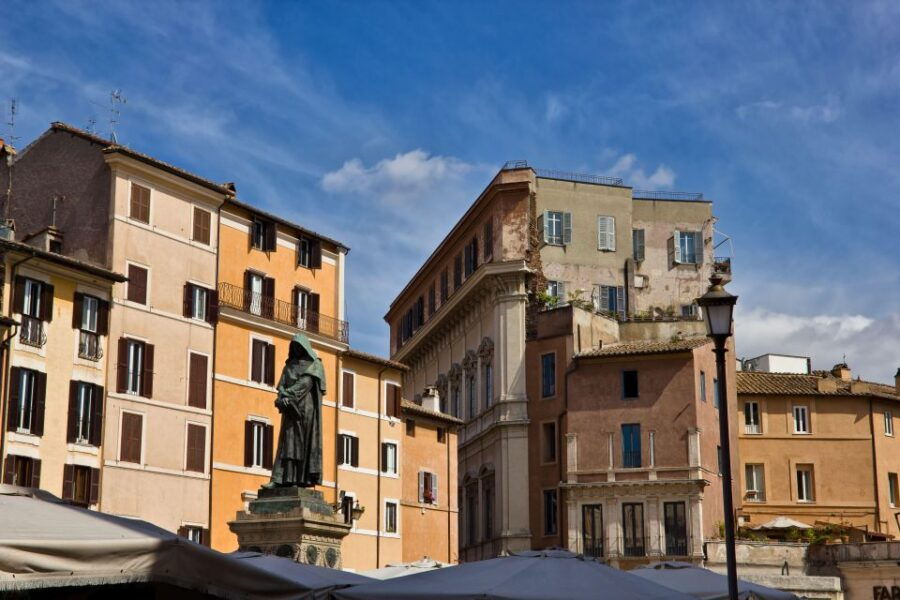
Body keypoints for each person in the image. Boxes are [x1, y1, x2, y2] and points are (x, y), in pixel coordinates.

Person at [263, 333, 324, 488]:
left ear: (305, 347)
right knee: (287, 443)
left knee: (301, 444)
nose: (296, 349)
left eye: (299, 346)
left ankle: (300, 480)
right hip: (289, 408)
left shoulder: (315, 365)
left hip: (305, 409)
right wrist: (283, 396)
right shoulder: (288, 366)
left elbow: (305, 384)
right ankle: (280, 479)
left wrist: (286, 395)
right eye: (294, 346)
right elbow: (281, 385)